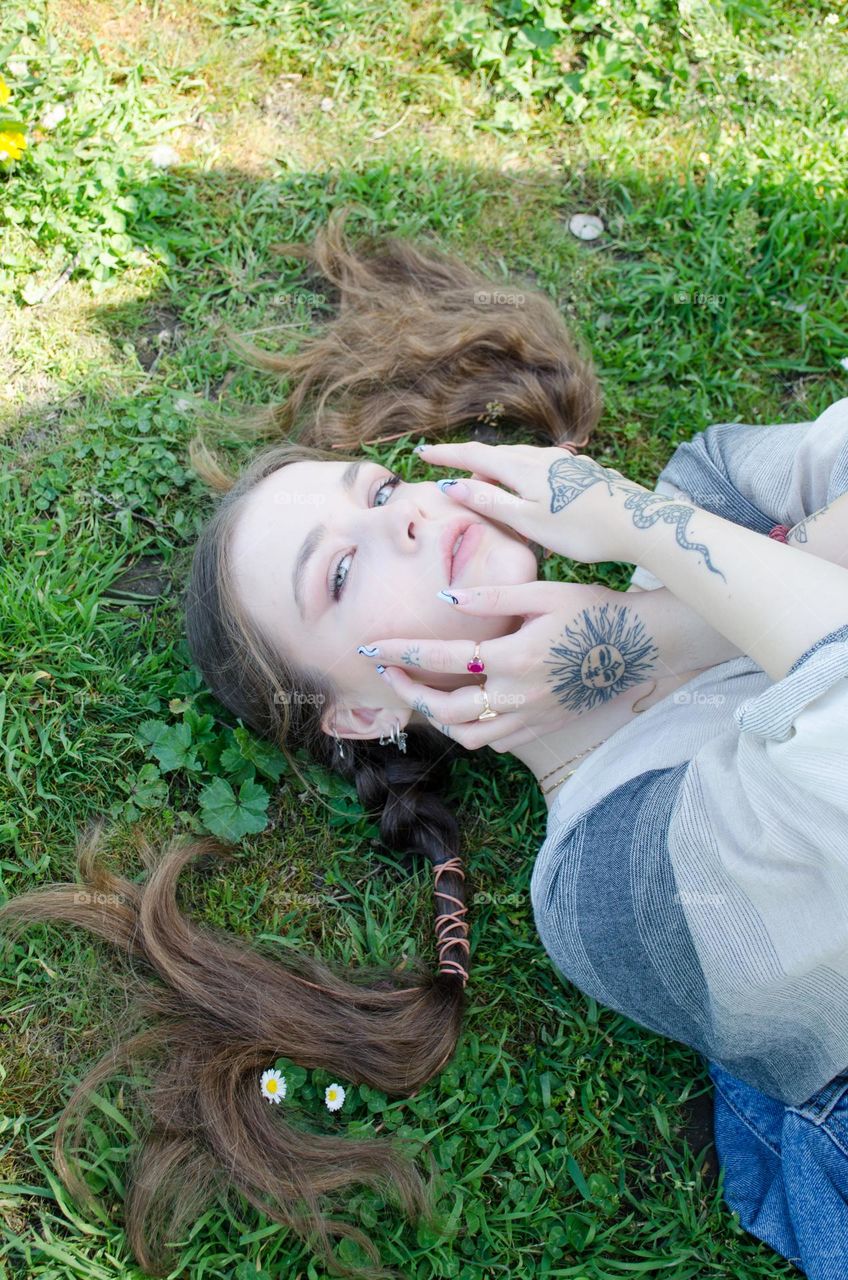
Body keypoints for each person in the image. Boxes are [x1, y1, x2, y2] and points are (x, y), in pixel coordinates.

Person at [2, 207, 847, 1280]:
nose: (396, 519)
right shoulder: (610, 882)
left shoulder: (705, 490)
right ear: (361, 710)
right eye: (340, 573)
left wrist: (650, 629)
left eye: (384, 489)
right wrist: (639, 540)